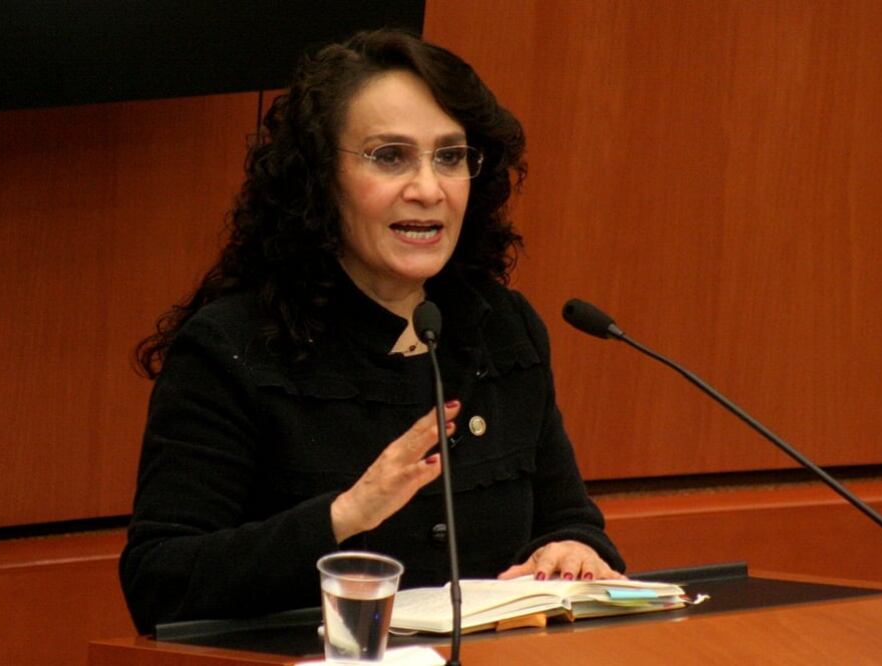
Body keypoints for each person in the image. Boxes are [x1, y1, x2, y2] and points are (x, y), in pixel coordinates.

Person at [120, 29, 625, 633]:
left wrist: (572, 550)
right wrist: (345, 515)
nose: (428, 189)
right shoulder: (232, 348)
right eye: (390, 156)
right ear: (319, 177)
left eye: (450, 157)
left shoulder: (501, 329)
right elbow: (159, 582)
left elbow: (568, 517)